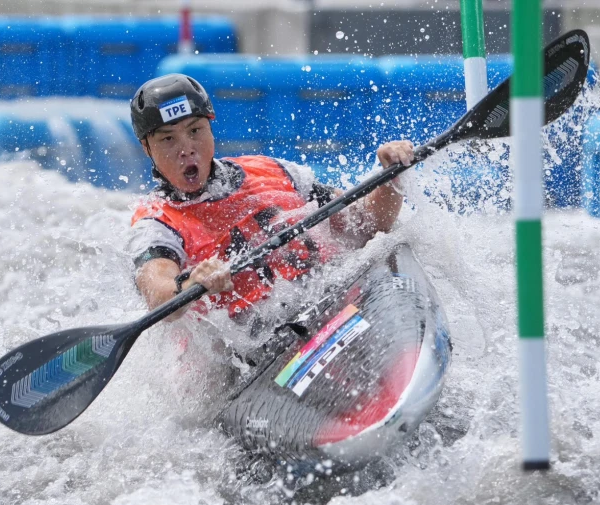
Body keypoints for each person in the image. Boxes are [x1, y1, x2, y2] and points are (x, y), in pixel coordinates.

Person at [126, 74, 414, 324]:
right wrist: (190, 283)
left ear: (210, 128)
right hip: (248, 354)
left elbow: (368, 226)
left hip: (331, 307)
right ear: (146, 148)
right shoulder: (155, 223)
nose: (186, 149)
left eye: (194, 131)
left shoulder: (275, 171)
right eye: (168, 139)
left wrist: (390, 178)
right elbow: (158, 294)